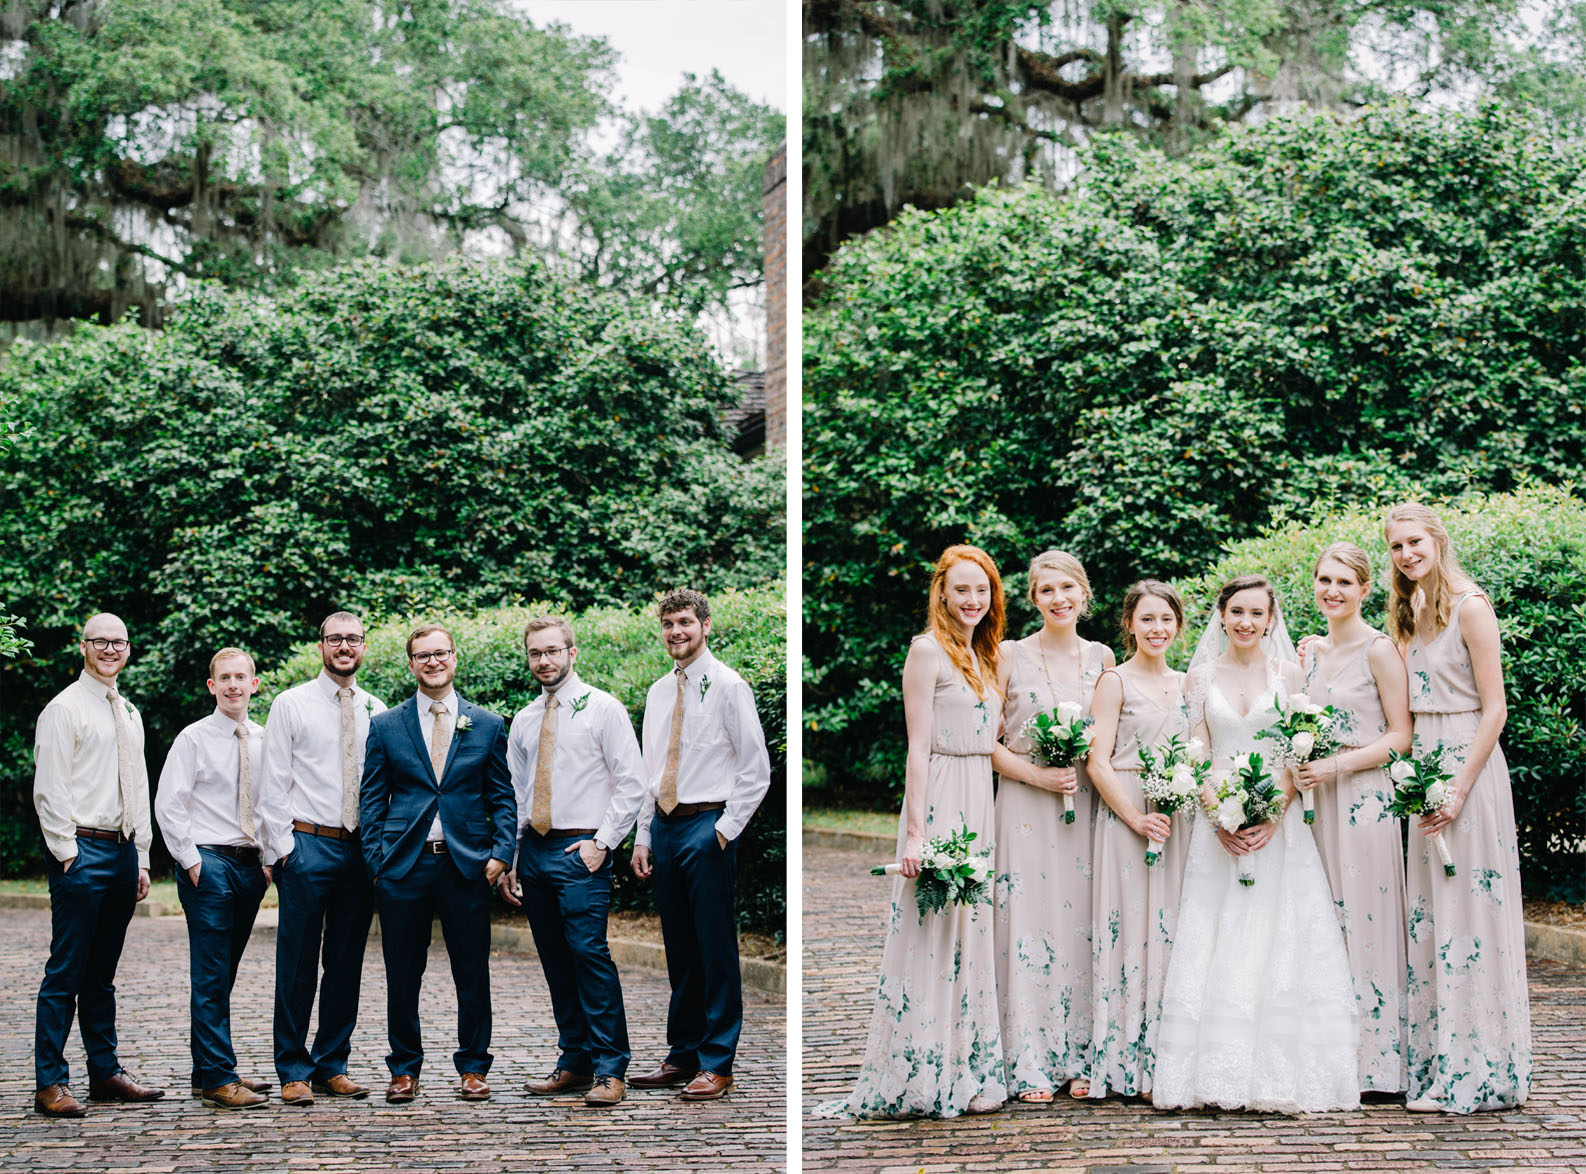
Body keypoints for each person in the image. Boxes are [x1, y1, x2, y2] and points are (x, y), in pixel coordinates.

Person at [1152, 575, 1360, 1113]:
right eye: (1237, 611)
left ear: (1271, 620)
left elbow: (1300, 749)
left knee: (1280, 932)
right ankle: (1215, 1070)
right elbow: (1193, 754)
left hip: (1279, 824)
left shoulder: (1290, 672)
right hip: (1216, 824)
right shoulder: (1198, 678)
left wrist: (1275, 811)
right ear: (1221, 615)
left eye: (1257, 613)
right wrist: (1217, 813)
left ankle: (1279, 1071)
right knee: (1216, 932)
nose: (1246, 622)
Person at [816, 545, 1009, 1119]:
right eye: (962, 590)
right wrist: (916, 835)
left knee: (970, 932)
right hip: (944, 793)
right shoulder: (926, 652)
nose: (973, 600)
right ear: (942, 594)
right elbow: (917, 750)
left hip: (982, 799)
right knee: (933, 930)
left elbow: (992, 744)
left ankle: (966, 1070)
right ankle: (921, 1073)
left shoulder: (988, 655)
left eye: (982, 590)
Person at [1384, 503, 1530, 1113]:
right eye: (1396, 547)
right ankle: (1438, 1063)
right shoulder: (1409, 608)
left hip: (1468, 766)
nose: (1407, 554)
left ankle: (1478, 1069)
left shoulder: (1471, 606)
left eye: (1415, 542)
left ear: (1438, 540)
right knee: (1432, 915)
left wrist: (1460, 788)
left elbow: (1494, 709)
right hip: (1422, 767)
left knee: (1471, 912)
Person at [360, 624, 516, 1104]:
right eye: (422, 655)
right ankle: (404, 1068)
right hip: (404, 867)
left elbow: (503, 797)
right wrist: (377, 862)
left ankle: (473, 1067)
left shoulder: (487, 723)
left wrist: (501, 854)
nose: (433, 662)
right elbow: (371, 799)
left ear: (454, 658)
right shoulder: (387, 724)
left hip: (466, 867)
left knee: (472, 972)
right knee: (403, 972)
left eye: (441, 653)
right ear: (411, 663)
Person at [629, 589, 772, 1102]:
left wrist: (724, 830)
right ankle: (681, 1053)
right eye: (668, 625)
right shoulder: (657, 692)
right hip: (664, 827)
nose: (676, 633)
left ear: (705, 626)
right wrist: (643, 835)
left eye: (685, 622)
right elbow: (650, 772)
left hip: (707, 824)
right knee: (680, 949)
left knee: (714, 949)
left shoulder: (730, 685)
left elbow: (756, 770)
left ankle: (717, 1061)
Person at [498, 616, 647, 1107]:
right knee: (556, 961)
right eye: (536, 653)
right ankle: (575, 1060)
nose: (544, 661)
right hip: (536, 851)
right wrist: (516, 856)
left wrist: (601, 843)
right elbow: (519, 794)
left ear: (572, 652)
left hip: (582, 849)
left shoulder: (603, 708)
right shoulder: (522, 719)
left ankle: (611, 1068)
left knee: (589, 954)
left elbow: (632, 782)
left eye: (553, 651)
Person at [32, 612, 166, 1117]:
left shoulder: (128, 711)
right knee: (65, 970)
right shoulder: (63, 709)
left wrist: (143, 858)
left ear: (128, 649)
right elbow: (49, 788)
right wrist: (67, 853)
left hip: (123, 850)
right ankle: (50, 1081)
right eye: (101, 641)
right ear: (84, 646)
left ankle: (104, 1072)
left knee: (102, 974)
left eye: (119, 642)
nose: (110, 650)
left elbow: (139, 786)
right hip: (81, 852)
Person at [990, 550, 1112, 1103]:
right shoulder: (1008, 654)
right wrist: (1038, 778)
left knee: (1082, 927)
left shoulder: (1104, 656)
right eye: (1047, 591)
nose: (1059, 599)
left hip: (1086, 808)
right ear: (1033, 598)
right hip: (1024, 807)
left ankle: (1082, 1055)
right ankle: (1030, 1059)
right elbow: (983, 741)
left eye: (1068, 588)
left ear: (1085, 593)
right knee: (1029, 925)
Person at [1294, 543, 1412, 1095]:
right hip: (1313, 806)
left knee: (1365, 922)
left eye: (1344, 581)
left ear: (1366, 590)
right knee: (1321, 926)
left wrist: (1336, 764)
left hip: (1364, 798)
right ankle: (1325, 1058)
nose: (1332, 591)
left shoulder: (1380, 650)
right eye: (1324, 580)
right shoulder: (1308, 654)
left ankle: (1377, 1065)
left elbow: (1400, 737)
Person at [255, 611, 386, 1106]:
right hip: (307, 844)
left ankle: (332, 1063)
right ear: (321, 646)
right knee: (297, 963)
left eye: (353, 639)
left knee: (347, 961)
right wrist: (283, 850)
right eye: (336, 639)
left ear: (364, 647)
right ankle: (292, 1068)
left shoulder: (378, 710)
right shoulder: (291, 705)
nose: (345, 647)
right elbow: (272, 783)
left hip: (360, 850)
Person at [153, 648, 274, 1109]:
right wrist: (190, 860)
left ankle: (207, 1066)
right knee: (209, 973)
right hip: (208, 862)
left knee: (224, 972)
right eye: (224, 678)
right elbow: (169, 803)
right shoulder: (193, 738)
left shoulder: (265, 739)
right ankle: (220, 1079)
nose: (233, 685)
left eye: (241, 677)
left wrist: (269, 858)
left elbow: (272, 804)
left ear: (254, 683)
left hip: (250, 865)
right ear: (212, 686)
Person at [1083, 580, 1190, 1101]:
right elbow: (1096, 760)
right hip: (1129, 814)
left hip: (1179, 817)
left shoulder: (1191, 682)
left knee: (1171, 933)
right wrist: (1135, 818)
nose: (1157, 629)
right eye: (1147, 619)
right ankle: (1124, 1060)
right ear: (1129, 625)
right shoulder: (1114, 681)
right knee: (1130, 933)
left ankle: (1166, 1062)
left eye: (1166, 619)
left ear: (1179, 625)